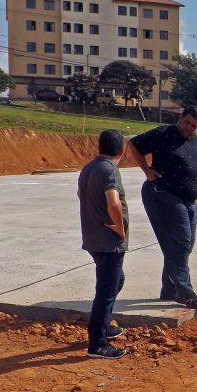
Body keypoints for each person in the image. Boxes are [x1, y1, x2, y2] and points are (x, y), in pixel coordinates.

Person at [127, 106, 197, 309]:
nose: (189, 128)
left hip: (188, 200)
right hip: (163, 194)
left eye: (194, 126)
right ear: (180, 117)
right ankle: (184, 292)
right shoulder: (163, 133)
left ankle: (169, 289)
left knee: (184, 246)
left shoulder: (192, 138)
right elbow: (134, 144)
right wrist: (146, 170)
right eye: (187, 122)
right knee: (180, 243)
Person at [77, 129, 129, 359]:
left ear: (98, 147)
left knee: (117, 280)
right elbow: (113, 202)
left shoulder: (88, 168)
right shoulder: (110, 170)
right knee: (106, 291)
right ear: (121, 150)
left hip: (92, 237)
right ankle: (97, 344)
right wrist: (119, 227)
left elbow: (81, 193)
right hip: (109, 241)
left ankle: (105, 325)